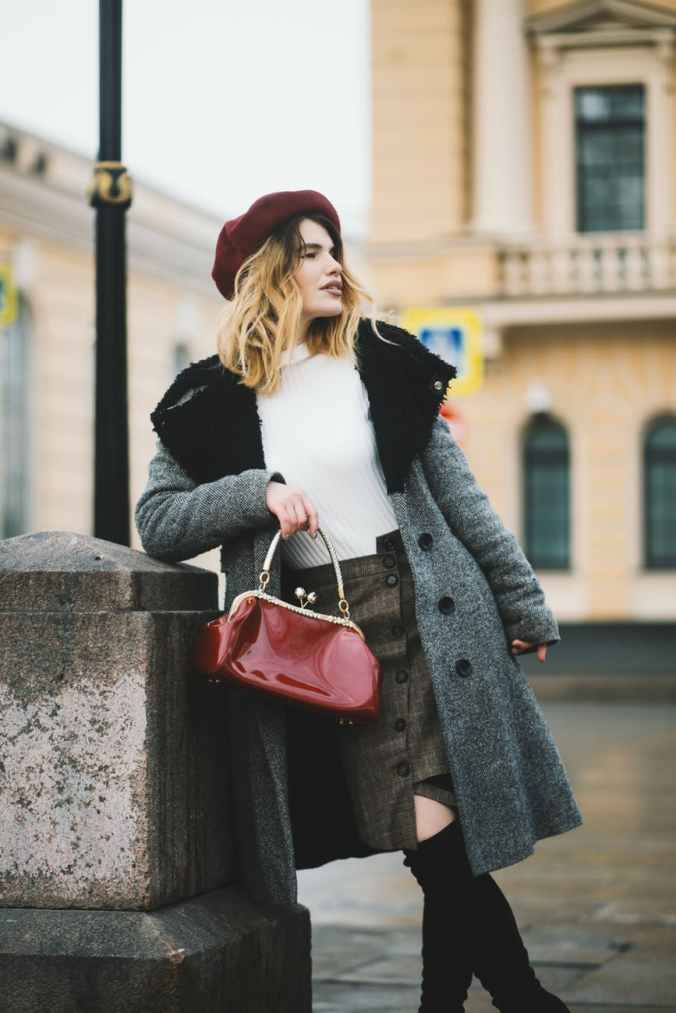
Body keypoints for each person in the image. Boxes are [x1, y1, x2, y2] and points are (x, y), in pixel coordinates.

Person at [135, 189, 583, 1013]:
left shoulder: (382, 360)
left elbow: (462, 500)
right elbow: (156, 522)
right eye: (308, 252)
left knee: (436, 837)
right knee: (434, 842)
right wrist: (256, 491)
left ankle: (518, 1001)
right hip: (317, 637)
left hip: (430, 618)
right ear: (266, 272)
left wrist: (523, 603)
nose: (333, 264)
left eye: (333, 248)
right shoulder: (211, 400)